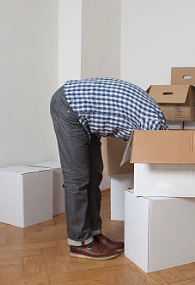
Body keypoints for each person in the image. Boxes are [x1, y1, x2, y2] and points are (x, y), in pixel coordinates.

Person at [50, 78, 168, 260]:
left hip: (88, 115)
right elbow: (146, 163)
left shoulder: (156, 124)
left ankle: (94, 234)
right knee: (78, 177)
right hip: (70, 106)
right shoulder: (151, 128)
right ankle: (79, 242)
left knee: (95, 174)